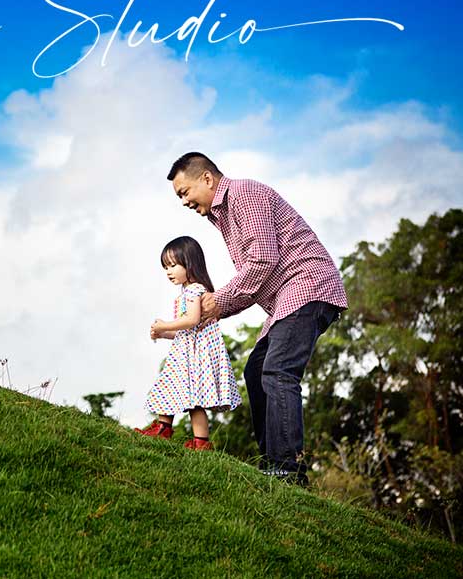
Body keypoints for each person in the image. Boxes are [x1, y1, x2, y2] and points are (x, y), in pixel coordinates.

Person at [166, 152, 347, 485]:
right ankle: (272, 466)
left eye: (184, 192)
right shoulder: (223, 217)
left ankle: (287, 470)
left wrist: (216, 301)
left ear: (207, 179)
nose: (184, 201)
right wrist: (215, 311)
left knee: (278, 369)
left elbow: (262, 262)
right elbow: (254, 282)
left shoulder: (243, 195)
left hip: (308, 286)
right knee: (256, 369)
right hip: (286, 299)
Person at [135, 236, 241, 450]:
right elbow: (188, 331)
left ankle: (165, 428)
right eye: (165, 267)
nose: (168, 271)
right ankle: (198, 441)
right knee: (188, 397)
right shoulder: (188, 291)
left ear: (189, 263)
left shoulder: (194, 290)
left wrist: (165, 325)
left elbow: (191, 320)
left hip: (191, 358)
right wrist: (164, 334)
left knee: (172, 388)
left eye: (173, 265)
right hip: (188, 352)